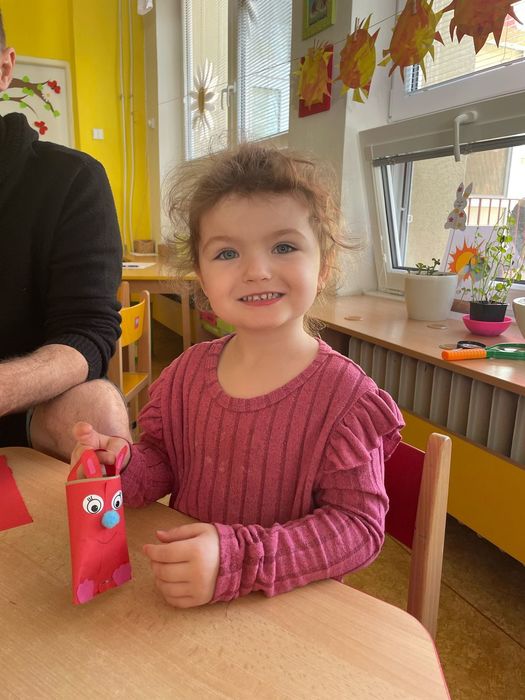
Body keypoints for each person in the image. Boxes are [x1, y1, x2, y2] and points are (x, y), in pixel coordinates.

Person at [72, 143, 404, 608]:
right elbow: (163, 462)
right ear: (202, 277)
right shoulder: (186, 374)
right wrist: (123, 467)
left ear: (323, 267)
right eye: (227, 253)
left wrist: (240, 560)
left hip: (285, 612)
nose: (256, 271)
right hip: (189, 604)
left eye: (284, 247)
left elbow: (358, 529)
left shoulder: (346, 398)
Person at [0, 10, 131, 459]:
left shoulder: (72, 180)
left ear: (4, 69)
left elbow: (87, 332)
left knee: (98, 410)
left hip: (29, 410)